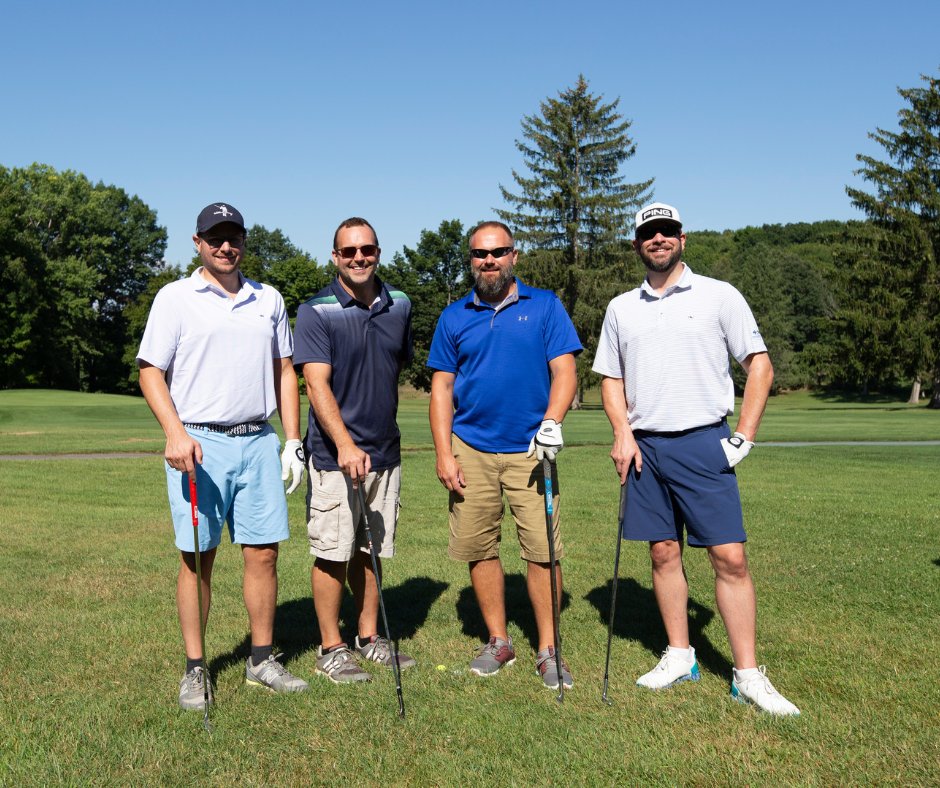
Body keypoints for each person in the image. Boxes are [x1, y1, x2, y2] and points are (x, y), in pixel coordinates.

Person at [592, 201, 800, 716]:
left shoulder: (718, 295)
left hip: (704, 441)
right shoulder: (621, 307)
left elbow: (760, 366)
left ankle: (748, 674)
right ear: (637, 243)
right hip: (646, 447)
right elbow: (611, 379)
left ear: (682, 238)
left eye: (666, 232)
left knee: (729, 557)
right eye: (648, 233)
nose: (657, 239)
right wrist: (622, 433)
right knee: (662, 552)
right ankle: (680, 655)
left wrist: (744, 436)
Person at [138, 202, 309, 711]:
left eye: (233, 236)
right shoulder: (175, 298)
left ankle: (261, 659)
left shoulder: (268, 298)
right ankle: (196, 669)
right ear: (198, 243)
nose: (225, 245)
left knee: (263, 553)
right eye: (215, 237)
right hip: (198, 443)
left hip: (257, 439)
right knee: (197, 557)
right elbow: (150, 371)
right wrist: (173, 432)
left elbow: (285, 371)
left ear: (243, 241)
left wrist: (292, 441)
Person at [428, 220, 582, 691]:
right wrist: (443, 453)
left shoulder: (545, 306)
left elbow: (565, 372)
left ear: (514, 256)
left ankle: (548, 649)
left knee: (542, 552)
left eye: (498, 252)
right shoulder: (454, 317)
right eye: (480, 254)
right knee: (480, 548)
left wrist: (552, 421)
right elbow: (442, 389)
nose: (489, 261)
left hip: (532, 451)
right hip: (471, 448)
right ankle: (499, 641)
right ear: (471, 260)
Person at [293, 217, 416, 684]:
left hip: (385, 451)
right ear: (335, 257)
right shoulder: (316, 311)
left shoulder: (399, 304)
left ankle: (368, 637)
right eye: (349, 251)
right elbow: (315, 383)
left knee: (371, 549)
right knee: (332, 552)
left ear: (378, 252)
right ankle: (331, 646)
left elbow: (392, 365)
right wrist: (344, 444)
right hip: (333, 456)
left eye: (367, 249)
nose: (359, 258)